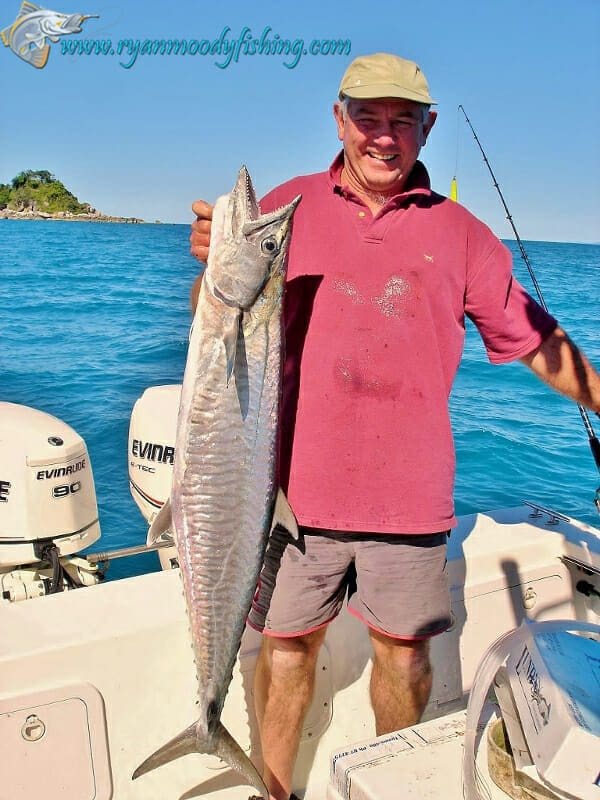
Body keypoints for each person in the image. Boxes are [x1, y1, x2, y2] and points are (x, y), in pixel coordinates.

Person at [189, 53, 600, 800]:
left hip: (408, 496)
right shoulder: (287, 207)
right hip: (287, 497)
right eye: (368, 118)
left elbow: (535, 338)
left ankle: (389, 786)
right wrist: (212, 262)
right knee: (284, 652)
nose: (384, 137)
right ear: (339, 119)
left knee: (405, 660)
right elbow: (217, 321)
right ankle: (273, 790)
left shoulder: (465, 235)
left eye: (402, 121)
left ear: (427, 128)